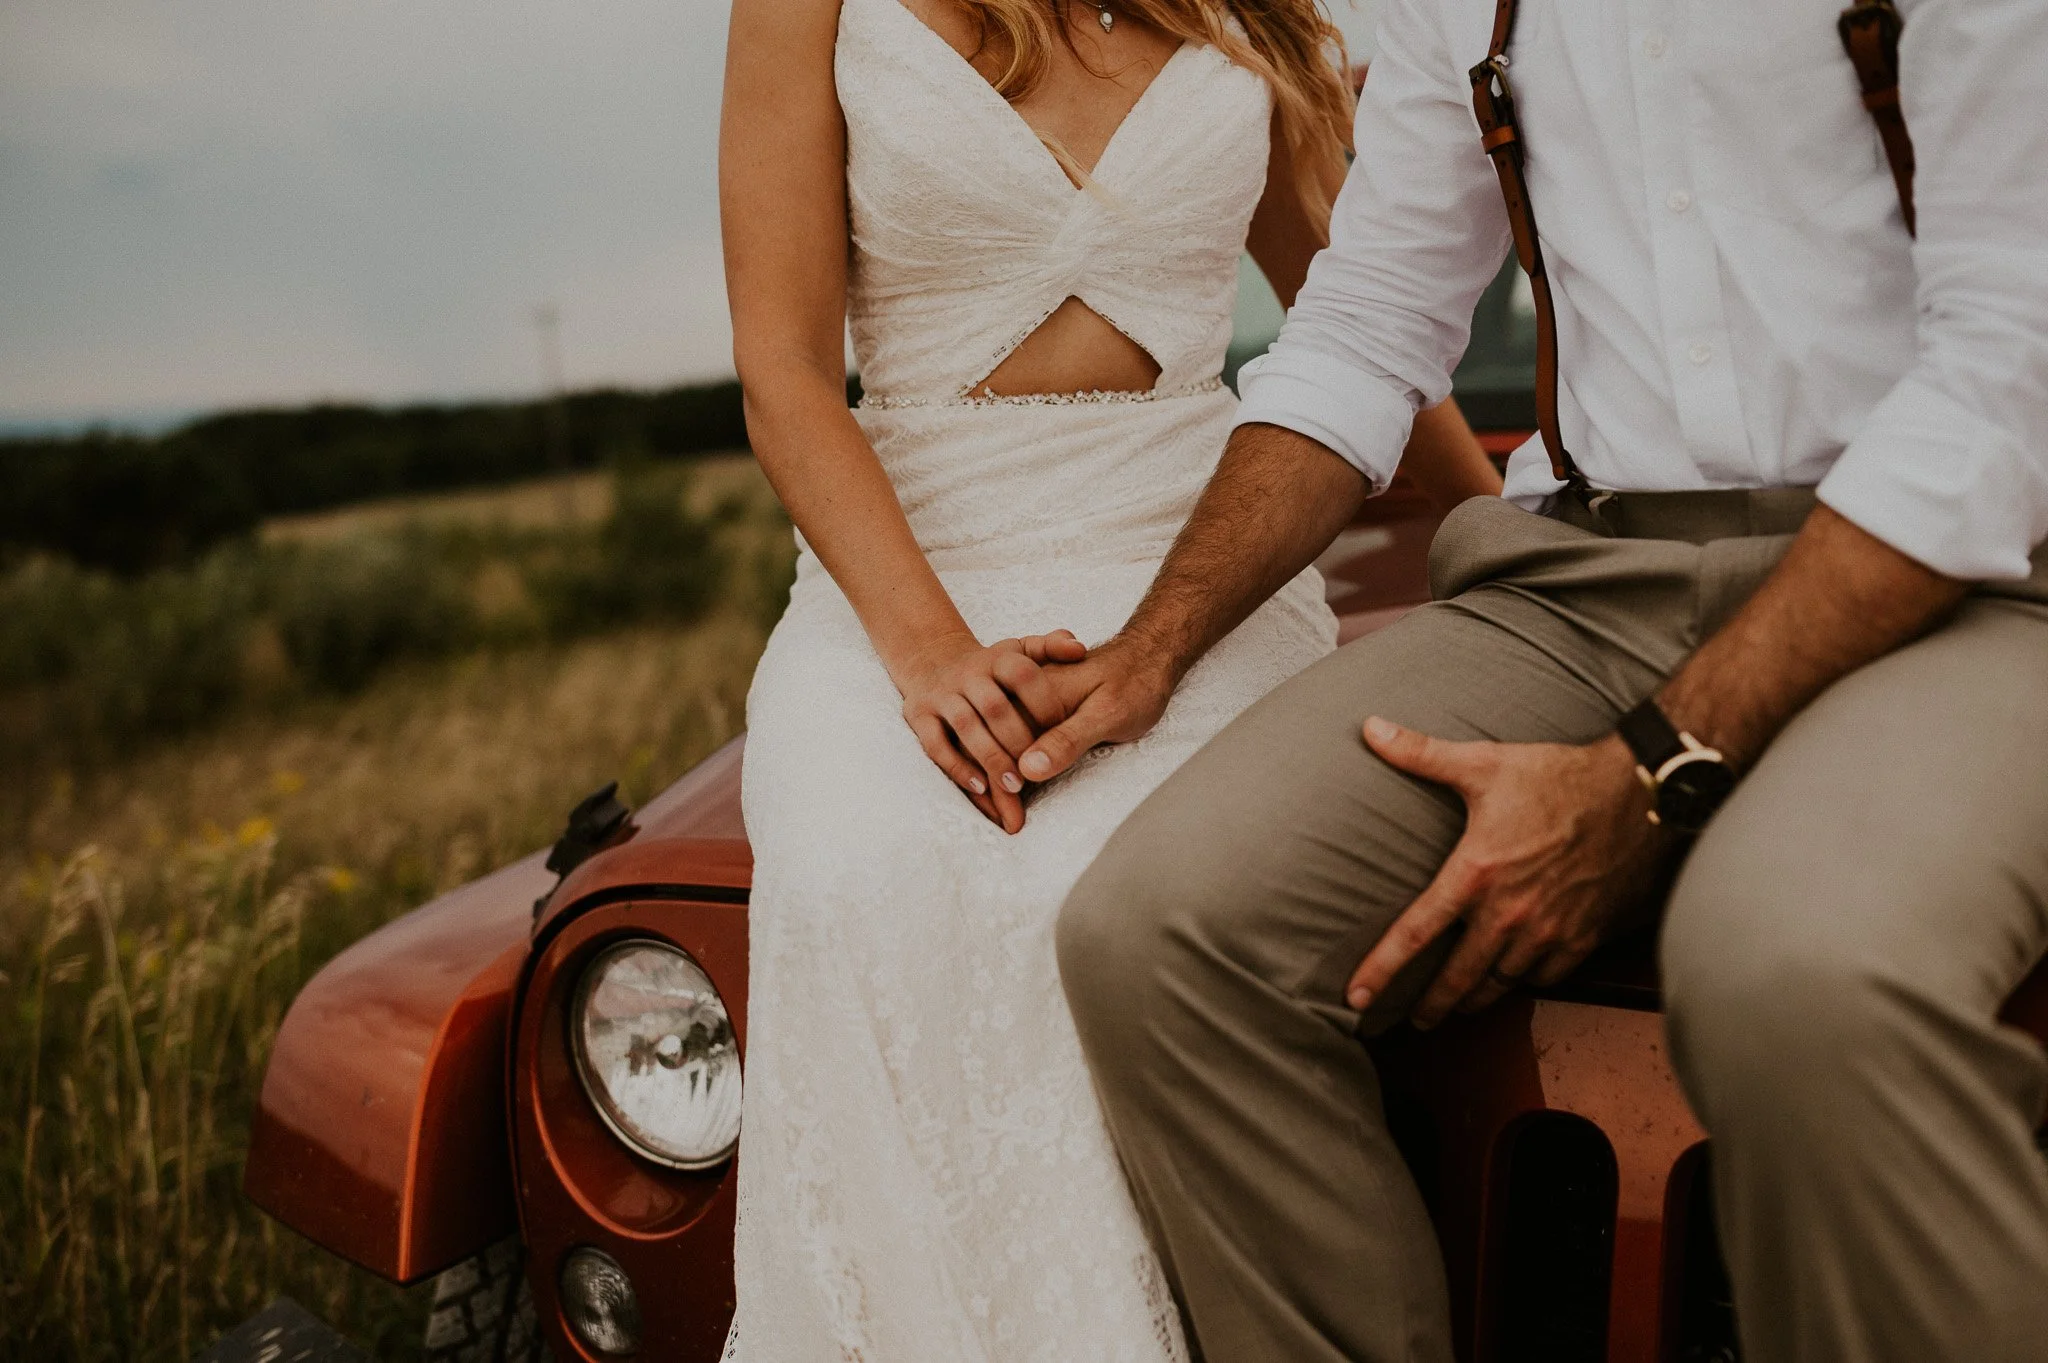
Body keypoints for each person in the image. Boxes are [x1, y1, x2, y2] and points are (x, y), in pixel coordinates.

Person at [1028, 0, 2048, 1359]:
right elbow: (1370, 323)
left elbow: (2009, 370)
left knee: (1799, 970)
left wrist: (1647, 773)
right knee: (1159, 936)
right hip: (1588, 569)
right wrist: (1149, 647)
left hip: (1968, 573)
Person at [717, 0, 1501, 1352]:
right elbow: (784, 373)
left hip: (1195, 566)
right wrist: (929, 654)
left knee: (1152, 899)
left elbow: (1367, 316)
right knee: (857, 873)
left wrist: (1511, 541)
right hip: (903, 582)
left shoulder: (1254, 11)